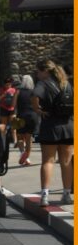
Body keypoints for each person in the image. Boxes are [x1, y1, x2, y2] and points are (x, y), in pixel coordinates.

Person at [32, 59, 74, 207]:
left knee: (48, 161)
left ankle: (44, 196)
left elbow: (35, 96)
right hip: (68, 126)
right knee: (66, 162)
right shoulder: (67, 83)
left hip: (50, 126)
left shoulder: (43, 83)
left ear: (45, 71)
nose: (37, 74)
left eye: (38, 71)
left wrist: (38, 110)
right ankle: (67, 195)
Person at [15, 74, 39, 165]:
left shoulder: (18, 91)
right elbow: (37, 105)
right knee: (29, 138)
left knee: (19, 137)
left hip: (20, 115)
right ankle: (27, 157)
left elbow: (13, 105)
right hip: (32, 116)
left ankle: (22, 154)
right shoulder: (34, 92)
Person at [0, 75, 19, 145]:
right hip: (3, 108)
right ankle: (3, 140)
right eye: (7, 84)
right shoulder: (1, 90)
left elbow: (17, 100)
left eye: (9, 84)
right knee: (4, 125)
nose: (8, 86)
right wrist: (3, 95)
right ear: (4, 84)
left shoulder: (14, 90)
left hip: (12, 109)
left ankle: (15, 141)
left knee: (14, 125)